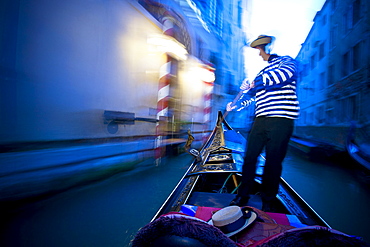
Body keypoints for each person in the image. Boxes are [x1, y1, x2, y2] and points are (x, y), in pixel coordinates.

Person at [227, 35, 300, 211]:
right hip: (260, 121)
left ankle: (267, 200)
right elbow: (250, 99)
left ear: (266, 48)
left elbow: (281, 76)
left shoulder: (287, 62)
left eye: (259, 49)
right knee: (249, 158)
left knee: (273, 162)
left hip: (281, 120)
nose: (259, 55)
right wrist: (236, 104)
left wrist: (254, 83)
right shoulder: (261, 73)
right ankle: (243, 195)